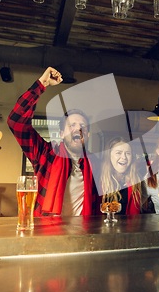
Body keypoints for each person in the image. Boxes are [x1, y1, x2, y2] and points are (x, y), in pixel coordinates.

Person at [8, 67, 98, 217]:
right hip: (47, 233)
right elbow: (16, 122)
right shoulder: (45, 153)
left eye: (82, 126)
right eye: (72, 125)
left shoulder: (95, 163)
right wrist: (41, 84)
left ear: (87, 134)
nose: (78, 130)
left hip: (84, 234)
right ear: (61, 133)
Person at [99, 137, 143, 215]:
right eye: (118, 153)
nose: (124, 157)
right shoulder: (98, 179)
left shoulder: (135, 180)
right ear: (109, 156)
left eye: (128, 153)